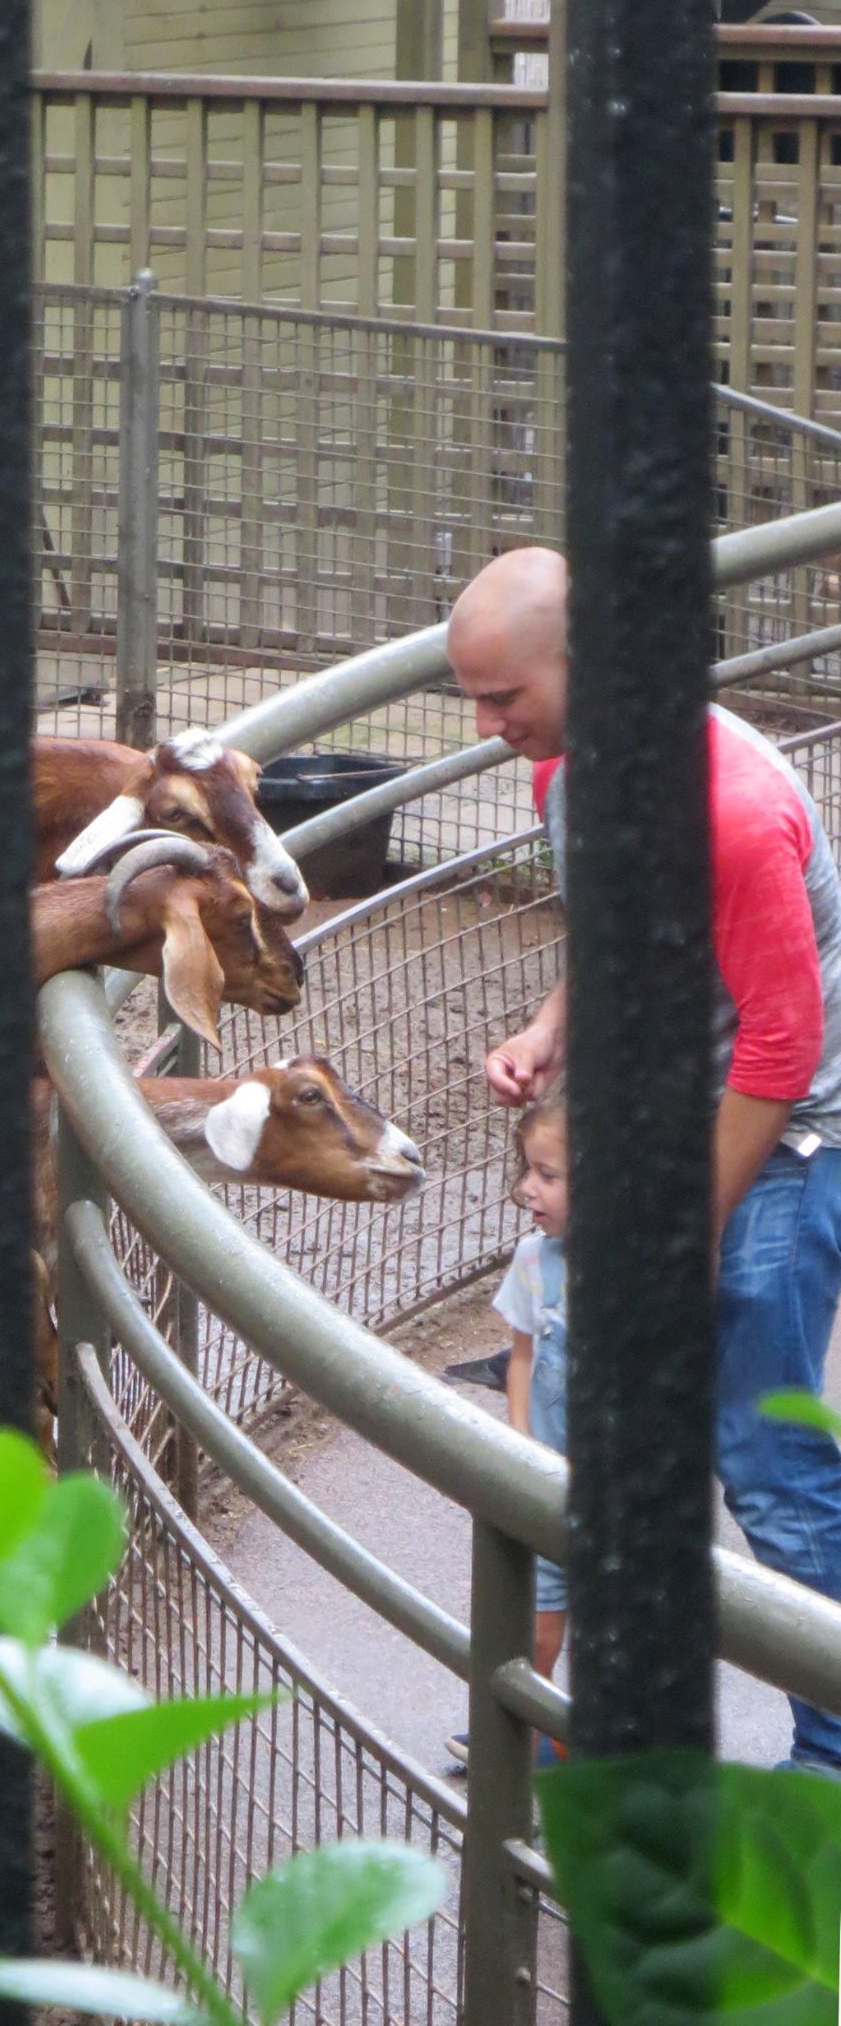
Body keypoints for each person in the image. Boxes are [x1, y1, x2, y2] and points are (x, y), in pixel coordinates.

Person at [445, 544, 841, 1775]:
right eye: (475, 696)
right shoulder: (566, 770)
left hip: (789, 1134)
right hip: (674, 1116)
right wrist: (551, 1027)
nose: (486, 722)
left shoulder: (724, 810)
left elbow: (784, 1045)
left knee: (764, 1459)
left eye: (504, 696)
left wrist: (681, 1235)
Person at [448, 1085, 571, 1775]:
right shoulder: (532, 1261)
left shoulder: (640, 1268)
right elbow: (520, 1356)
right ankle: (525, 1731)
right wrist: (522, 1437)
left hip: (620, 1484)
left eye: (548, 1176)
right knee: (540, 1623)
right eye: (527, 1170)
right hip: (551, 1474)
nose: (529, 1188)